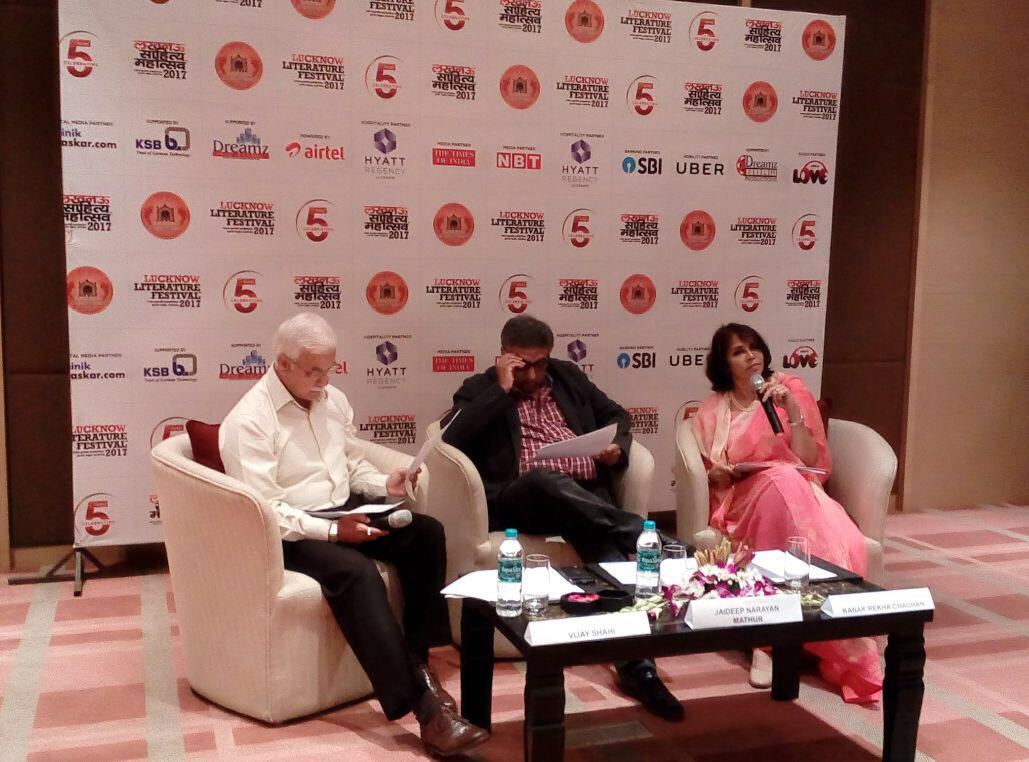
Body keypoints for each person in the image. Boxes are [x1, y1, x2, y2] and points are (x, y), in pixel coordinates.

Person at [219, 313, 489, 757]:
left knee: (426, 534)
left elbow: (348, 464)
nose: (324, 382)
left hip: (343, 509)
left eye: (329, 370)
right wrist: (331, 531)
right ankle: (425, 710)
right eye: (314, 372)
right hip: (289, 530)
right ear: (282, 363)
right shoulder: (249, 421)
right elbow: (264, 509)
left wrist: (385, 484)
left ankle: (417, 659)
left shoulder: (333, 401)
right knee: (355, 572)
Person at [443, 314, 684, 720]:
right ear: (504, 356)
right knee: (544, 480)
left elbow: (616, 415)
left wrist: (617, 448)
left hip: (582, 500)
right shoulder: (480, 388)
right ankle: (643, 536)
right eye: (523, 365)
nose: (534, 374)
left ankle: (639, 668)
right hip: (523, 500)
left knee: (601, 548)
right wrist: (501, 389)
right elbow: (452, 439)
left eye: (541, 363)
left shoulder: (567, 376)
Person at [690, 322, 883, 703]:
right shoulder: (713, 410)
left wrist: (792, 411)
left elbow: (810, 461)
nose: (751, 356)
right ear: (724, 364)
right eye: (738, 351)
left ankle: (789, 640)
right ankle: (769, 644)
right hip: (744, 496)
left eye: (754, 347)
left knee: (789, 483)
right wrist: (719, 472)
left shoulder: (790, 390)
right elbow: (710, 472)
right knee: (779, 481)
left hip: (798, 488)